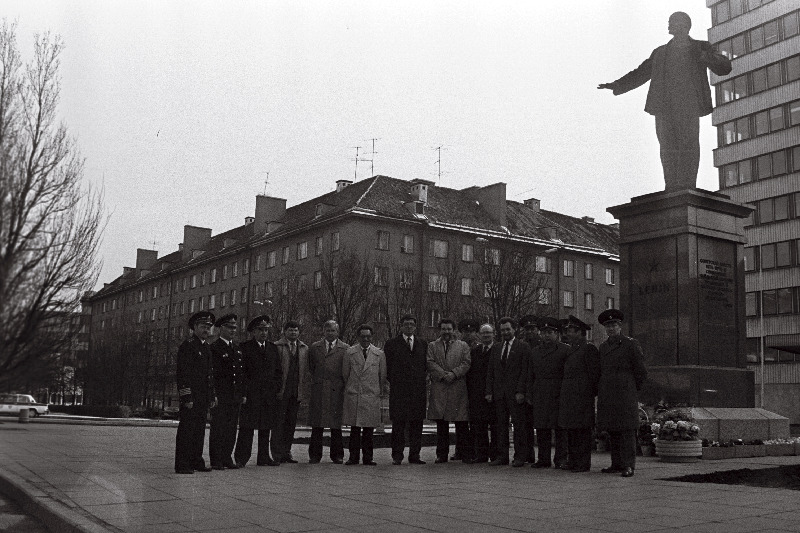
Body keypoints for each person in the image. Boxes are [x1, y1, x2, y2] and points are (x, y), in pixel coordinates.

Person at [598, 11, 732, 191]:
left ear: (685, 25)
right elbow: (641, 72)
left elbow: (725, 67)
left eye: (672, 22)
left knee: (688, 145)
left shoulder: (701, 47)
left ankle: (686, 185)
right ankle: (671, 185)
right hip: (664, 105)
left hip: (688, 104)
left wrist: (704, 56)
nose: (669, 25)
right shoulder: (660, 52)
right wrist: (617, 85)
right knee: (667, 147)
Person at [596, 309, 648, 478]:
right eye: (608, 326)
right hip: (609, 394)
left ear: (620, 326)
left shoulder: (630, 344)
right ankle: (616, 463)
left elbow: (640, 371)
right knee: (613, 430)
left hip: (625, 393)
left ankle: (628, 465)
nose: (611, 329)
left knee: (626, 431)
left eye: (614, 325)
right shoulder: (603, 347)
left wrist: (632, 389)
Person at [234, 315, 283, 467]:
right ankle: (242, 457)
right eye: (260, 330)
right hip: (252, 394)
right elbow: (242, 373)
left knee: (265, 427)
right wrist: (245, 391)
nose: (263, 333)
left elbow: (278, 371)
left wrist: (275, 387)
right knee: (247, 427)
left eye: (266, 330)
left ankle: (263, 456)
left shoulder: (272, 348)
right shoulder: (245, 348)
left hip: (268, 395)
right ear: (253, 332)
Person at [174, 311, 216, 474]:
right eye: (203, 326)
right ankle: (183, 464)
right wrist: (186, 396)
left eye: (208, 327)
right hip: (192, 396)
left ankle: (196, 460)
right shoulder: (188, 346)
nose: (206, 329)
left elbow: (209, 375)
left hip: (203, 396)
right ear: (194, 328)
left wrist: (212, 395)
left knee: (199, 431)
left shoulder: (206, 347)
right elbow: (183, 373)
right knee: (187, 431)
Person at [485, 317, 531, 467]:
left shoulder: (523, 347)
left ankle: (520, 457)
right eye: (502, 330)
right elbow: (491, 371)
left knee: (519, 426)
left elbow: (525, 371)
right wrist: (489, 391)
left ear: (514, 329)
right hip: (499, 394)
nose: (505, 332)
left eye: (508, 329)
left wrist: (521, 391)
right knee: (500, 426)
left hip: (515, 394)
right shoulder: (497, 348)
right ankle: (502, 456)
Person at [557, 315, 600, 473]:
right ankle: (573, 460)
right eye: (568, 330)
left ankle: (582, 463)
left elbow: (594, 374)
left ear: (581, 332)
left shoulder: (588, 349)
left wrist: (588, 394)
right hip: (570, 396)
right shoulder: (571, 349)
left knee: (582, 431)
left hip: (582, 397)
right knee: (572, 430)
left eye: (571, 330)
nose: (568, 333)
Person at [384, 315, 428, 465]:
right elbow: (387, 368)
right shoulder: (391, 344)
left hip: (418, 391)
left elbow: (425, 366)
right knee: (398, 425)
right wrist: (395, 382)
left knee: (417, 425)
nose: (409, 327)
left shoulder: (423, 343)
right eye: (406, 324)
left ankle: (414, 455)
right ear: (401, 326)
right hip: (399, 391)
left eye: (411, 324)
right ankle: (397, 455)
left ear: (415, 327)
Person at [427, 318, 471, 463]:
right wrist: (442, 375)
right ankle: (442, 454)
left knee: (461, 423)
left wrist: (453, 374)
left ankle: (463, 453)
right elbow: (430, 362)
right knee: (441, 424)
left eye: (449, 329)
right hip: (440, 388)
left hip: (457, 388)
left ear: (454, 330)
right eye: (444, 329)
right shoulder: (432, 346)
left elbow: (466, 363)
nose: (446, 332)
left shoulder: (463, 346)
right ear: (440, 330)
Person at [528, 317, 570, 469]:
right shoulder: (535, 352)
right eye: (544, 332)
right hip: (540, 392)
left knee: (560, 428)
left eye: (550, 332)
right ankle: (543, 459)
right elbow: (530, 374)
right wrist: (530, 393)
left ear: (557, 334)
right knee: (542, 427)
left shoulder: (565, 350)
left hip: (558, 392)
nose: (546, 335)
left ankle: (561, 459)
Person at [342, 324, 388, 465]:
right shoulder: (350, 353)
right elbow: (345, 374)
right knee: (354, 430)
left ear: (372, 337)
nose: (366, 339)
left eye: (368, 336)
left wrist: (377, 391)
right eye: (363, 336)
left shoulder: (379, 354)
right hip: (355, 394)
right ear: (358, 337)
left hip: (370, 396)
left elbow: (382, 375)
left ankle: (368, 458)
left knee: (369, 430)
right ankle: (353, 457)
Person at [307, 320, 347, 464]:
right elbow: (311, 368)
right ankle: (315, 455)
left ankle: (337, 455)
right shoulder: (314, 347)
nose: (330, 333)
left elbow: (346, 370)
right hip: (319, 389)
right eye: (328, 330)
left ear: (338, 332)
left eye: (333, 331)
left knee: (336, 425)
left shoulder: (345, 349)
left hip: (336, 390)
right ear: (323, 332)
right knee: (317, 424)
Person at [209, 313, 244, 470]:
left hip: (234, 396)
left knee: (231, 429)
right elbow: (213, 375)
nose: (233, 330)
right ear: (221, 328)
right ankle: (216, 460)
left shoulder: (236, 349)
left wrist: (242, 393)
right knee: (218, 428)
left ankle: (227, 457)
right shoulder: (214, 348)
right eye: (230, 327)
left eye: (235, 327)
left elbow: (240, 375)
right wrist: (213, 394)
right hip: (221, 396)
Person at [272, 321, 309, 463]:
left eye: (295, 330)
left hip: (296, 391)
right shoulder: (277, 346)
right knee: (278, 423)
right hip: (282, 391)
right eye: (290, 330)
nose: (293, 333)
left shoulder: (304, 348)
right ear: (284, 331)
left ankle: (286, 452)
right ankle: (276, 453)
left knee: (290, 424)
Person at [466, 323, 498, 463]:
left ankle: (495, 454)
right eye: (483, 333)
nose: (486, 335)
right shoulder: (475, 351)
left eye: (488, 333)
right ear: (480, 334)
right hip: (477, 394)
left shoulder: (498, 350)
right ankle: (482, 454)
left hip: (494, 394)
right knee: (479, 426)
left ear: (493, 334)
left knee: (496, 426)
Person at [518, 315, 541, 464]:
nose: (530, 332)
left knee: (539, 424)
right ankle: (528, 454)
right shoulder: (520, 345)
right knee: (524, 424)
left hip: (539, 389)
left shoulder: (541, 345)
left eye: (532, 328)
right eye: (527, 329)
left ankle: (543, 456)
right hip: (524, 389)